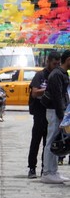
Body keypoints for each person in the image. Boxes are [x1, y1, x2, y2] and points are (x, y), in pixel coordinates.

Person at [28, 51, 61, 179]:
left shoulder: (57, 75)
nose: (56, 66)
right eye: (54, 63)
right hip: (40, 112)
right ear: (48, 62)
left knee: (48, 142)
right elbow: (34, 93)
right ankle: (32, 168)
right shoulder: (40, 75)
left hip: (51, 112)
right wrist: (48, 90)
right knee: (36, 140)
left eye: (58, 64)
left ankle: (45, 168)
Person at [40, 50, 70, 184]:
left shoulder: (61, 73)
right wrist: (62, 116)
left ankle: (53, 171)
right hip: (54, 111)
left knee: (56, 140)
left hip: (57, 111)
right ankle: (47, 172)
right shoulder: (57, 74)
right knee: (51, 141)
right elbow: (58, 97)